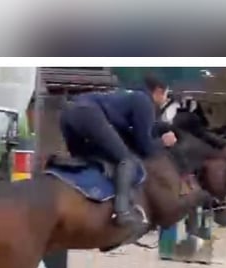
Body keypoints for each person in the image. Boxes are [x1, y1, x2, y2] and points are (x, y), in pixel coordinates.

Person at [59, 74, 177, 231]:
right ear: (158, 91)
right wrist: (163, 142)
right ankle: (122, 211)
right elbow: (145, 147)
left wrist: (158, 129)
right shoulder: (144, 101)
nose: (165, 99)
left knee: (88, 159)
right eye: (166, 95)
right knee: (126, 160)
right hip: (89, 114)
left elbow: (132, 132)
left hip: (67, 113)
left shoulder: (130, 96)